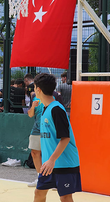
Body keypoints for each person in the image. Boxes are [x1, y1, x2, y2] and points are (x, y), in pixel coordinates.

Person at [33, 73, 81, 202]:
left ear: (38, 89)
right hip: (49, 164)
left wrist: (52, 160)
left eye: (34, 87)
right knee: (39, 193)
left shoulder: (57, 109)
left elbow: (65, 138)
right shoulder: (44, 108)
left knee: (65, 197)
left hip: (64, 163)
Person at [27, 91, 63, 187]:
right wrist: (33, 107)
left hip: (50, 128)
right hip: (37, 129)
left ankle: (56, 179)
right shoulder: (34, 96)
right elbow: (30, 114)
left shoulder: (55, 95)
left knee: (52, 153)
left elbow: (61, 112)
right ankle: (41, 178)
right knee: (34, 153)